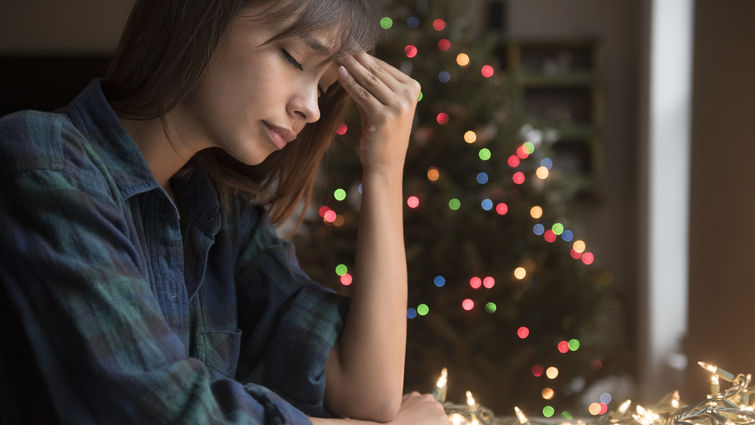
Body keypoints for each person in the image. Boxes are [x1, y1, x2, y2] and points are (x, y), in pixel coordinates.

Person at [0, 0, 449, 424]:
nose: (311, 109)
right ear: (203, 18)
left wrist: (385, 170)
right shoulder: (44, 160)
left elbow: (367, 389)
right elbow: (162, 409)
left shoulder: (224, 215)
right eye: (294, 58)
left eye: (324, 87)